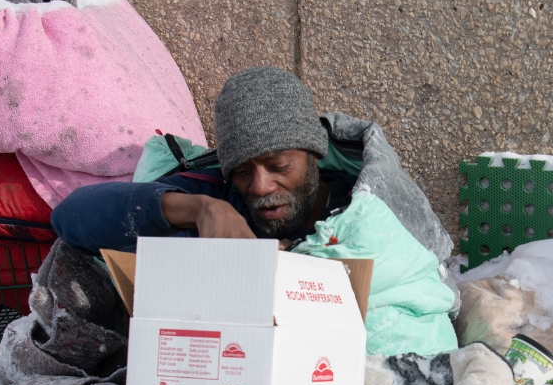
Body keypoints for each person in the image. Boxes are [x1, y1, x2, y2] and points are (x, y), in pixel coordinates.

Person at [50, 66, 356, 253]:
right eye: (242, 170)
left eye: (279, 167)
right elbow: (71, 216)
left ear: (314, 156)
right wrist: (202, 210)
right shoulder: (219, 196)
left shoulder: (364, 214)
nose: (260, 187)